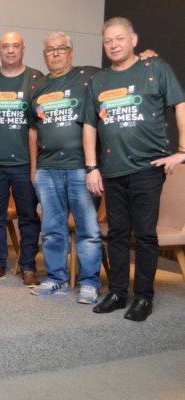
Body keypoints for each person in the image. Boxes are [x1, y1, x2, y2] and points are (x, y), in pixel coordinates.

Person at [82, 17, 185, 321]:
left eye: (119, 39)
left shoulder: (155, 69)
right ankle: (116, 293)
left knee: (144, 236)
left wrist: (182, 151)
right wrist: (92, 167)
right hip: (111, 170)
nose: (113, 45)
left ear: (133, 40)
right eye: (108, 41)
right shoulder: (98, 81)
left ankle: (143, 297)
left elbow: (180, 104)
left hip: (147, 168)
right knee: (116, 235)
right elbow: (89, 125)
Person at [28, 32, 102, 303]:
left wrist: (145, 58)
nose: (55, 54)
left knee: (88, 229)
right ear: (44, 54)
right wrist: (34, 168)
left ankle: (89, 282)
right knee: (52, 228)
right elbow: (33, 131)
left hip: (80, 168)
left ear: (70, 51)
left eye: (61, 49)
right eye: (49, 50)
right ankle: (57, 279)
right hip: (47, 169)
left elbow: (122, 71)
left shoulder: (89, 76)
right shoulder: (37, 87)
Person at [0, 32, 44, 287]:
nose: (11, 50)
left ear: (24, 49)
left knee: (28, 216)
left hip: (26, 162)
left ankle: (27, 267)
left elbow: (42, 122)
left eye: (15, 46)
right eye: (6, 46)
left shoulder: (37, 80)